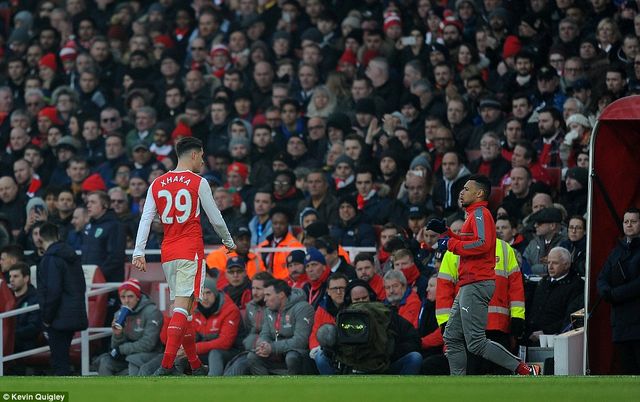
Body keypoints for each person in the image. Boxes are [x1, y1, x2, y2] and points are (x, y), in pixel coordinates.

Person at [132, 137, 236, 376]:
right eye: (201, 155)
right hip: (190, 250)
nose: (202, 160)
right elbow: (215, 217)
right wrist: (228, 241)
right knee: (182, 308)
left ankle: (195, 364)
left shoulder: (157, 183)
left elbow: (146, 218)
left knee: (185, 309)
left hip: (168, 251)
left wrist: (139, 251)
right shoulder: (198, 182)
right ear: (194, 154)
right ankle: (166, 365)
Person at [427, 174, 538, 375]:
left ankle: (524, 368)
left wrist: (451, 244)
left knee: (476, 342)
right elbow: (470, 239)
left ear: (479, 193)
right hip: (470, 284)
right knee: (452, 336)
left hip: (476, 283)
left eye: (467, 189)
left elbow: (483, 244)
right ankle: (457, 381)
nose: (462, 192)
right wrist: (447, 232)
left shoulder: (480, 213)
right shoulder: (474, 215)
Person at [436, 239, 526, 374]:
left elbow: (515, 286)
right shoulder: (503, 248)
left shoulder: (504, 248)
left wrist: (517, 317)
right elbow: (444, 288)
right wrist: (445, 321)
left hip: (492, 327)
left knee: (497, 378)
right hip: (478, 326)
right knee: (476, 377)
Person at [36, 223, 88, 375]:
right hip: (73, 313)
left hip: (58, 318)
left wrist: (47, 318)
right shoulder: (71, 256)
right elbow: (81, 285)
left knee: (59, 361)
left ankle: (64, 395)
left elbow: (53, 291)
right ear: (58, 236)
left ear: (40, 238)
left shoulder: (50, 259)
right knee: (62, 357)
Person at [598, 208, 640, 374]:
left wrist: (615, 294)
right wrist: (605, 291)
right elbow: (602, 278)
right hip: (620, 322)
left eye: (633, 221)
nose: (629, 225)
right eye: (626, 221)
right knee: (627, 369)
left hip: (637, 319)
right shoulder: (617, 251)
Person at [246, 279, 315, 375]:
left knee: (292, 357)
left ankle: (296, 387)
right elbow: (265, 334)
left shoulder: (303, 308)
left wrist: (272, 347)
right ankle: (265, 387)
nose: (264, 299)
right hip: (276, 353)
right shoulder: (269, 310)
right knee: (252, 357)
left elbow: (301, 341)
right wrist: (263, 344)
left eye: (268, 295)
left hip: (299, 354)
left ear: (281, 295)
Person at [98, 279, 164, 376]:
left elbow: (148, 344)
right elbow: (115, 346)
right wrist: (118, 335)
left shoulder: (152, 312)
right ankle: (105, 390)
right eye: (123, 297)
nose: (126, 301)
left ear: (138, 297)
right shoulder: (119, 314)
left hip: (151, 354)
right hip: (128, 354)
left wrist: (121, 349)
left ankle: (134, 389)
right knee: (105, 361)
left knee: (133, 359)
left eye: (130, 296)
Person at [527, 247, 583, 345]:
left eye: (555, 263)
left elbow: (570, 318)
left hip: (556, 340)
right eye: (548, 263)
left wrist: (545, 331)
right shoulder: (543, 283)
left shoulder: (576, 286)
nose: (550, 267)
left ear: (566, 265)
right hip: (532, 336)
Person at [192, 277, 242, 376]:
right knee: (181, 354)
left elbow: (225, 343)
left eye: (208, 293)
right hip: (206, 350)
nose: (205, 297)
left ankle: (213, 383)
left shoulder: (230, 310)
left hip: (233, 351)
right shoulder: (195, 309)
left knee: (215, 353)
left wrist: (195, 348)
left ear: (215, 293)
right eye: (201, 293)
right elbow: (191, 336)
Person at [309, 272, 349, 374]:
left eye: (342, 288)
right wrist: (317, 349)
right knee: (320, 357)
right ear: (328, 291)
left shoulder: (354, 306)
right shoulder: (322, 309)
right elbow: (315, 334)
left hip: (351, 349)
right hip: (329, 350)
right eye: (335, 289)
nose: (339, 292)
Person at [9, 262, 41, 354]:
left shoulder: (35, 299)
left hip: (24, 344)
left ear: (26, 278)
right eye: (10, 276)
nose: (11, 280)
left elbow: (34, 327)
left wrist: (10, 335)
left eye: (15, 276)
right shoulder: (6, 297)